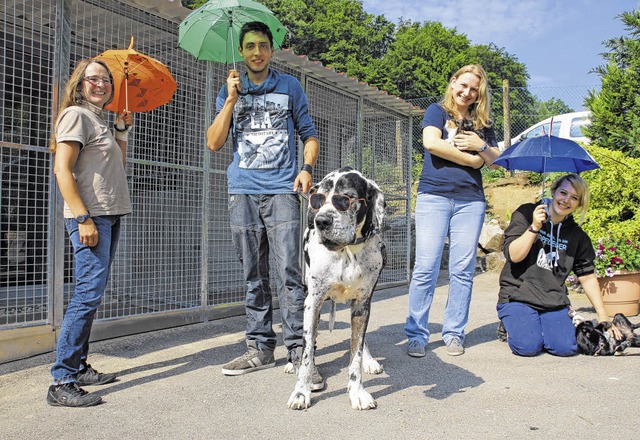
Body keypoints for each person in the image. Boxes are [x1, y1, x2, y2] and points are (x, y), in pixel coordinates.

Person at [206, 21, 324, 389]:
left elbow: (309, 135)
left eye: (263, 45)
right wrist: (229, 100)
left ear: (272, 50)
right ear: (241, 52)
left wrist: (306, 169)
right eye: (250, 46)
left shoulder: (290, 87)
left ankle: (300, 351)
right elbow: (213, 143)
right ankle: (259, 347)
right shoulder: (230, 91)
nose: (256, 51)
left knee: (290, 273)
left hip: (282, 191)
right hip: (242, 191)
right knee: (252, 275)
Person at [46, 58, 133, 407]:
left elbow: (118, 166)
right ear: (80, 83)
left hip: (109, 215)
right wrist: (82, 218)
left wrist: (121, 131)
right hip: (91, 217)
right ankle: (61, 380)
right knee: (86, 296)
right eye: (93, 79)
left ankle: (80, 366)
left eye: (106, 80)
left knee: (92, 295)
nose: (101, 85)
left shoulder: (99, 120)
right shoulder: (75, 116)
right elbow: (61, 169)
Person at [405, 64, 500, 357]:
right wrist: (472, 160)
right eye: (464, 85)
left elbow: (496, 161)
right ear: (453, 81)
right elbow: (431, 143)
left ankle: (454, 332)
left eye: (474, 89)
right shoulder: (436, 111)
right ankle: (417, 334)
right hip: (434, 196)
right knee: (426, 267)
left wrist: (480, 145)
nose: (467, 93)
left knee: (462, 269)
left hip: (471, 201)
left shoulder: (482, 123)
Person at [497, 173, 620, 357]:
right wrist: (534, 228)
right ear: (553, 191)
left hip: (552, 300)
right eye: (563, 193)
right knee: (528, 347)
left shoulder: (578, 236)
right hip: (517, 295)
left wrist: (603, 317)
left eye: (574, 198)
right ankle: (511, 324)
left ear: (578, 204)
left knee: (566, 348)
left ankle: (538, 324)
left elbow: (587, 277)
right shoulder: (526, 212)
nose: (566, 200)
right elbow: (514, 255)